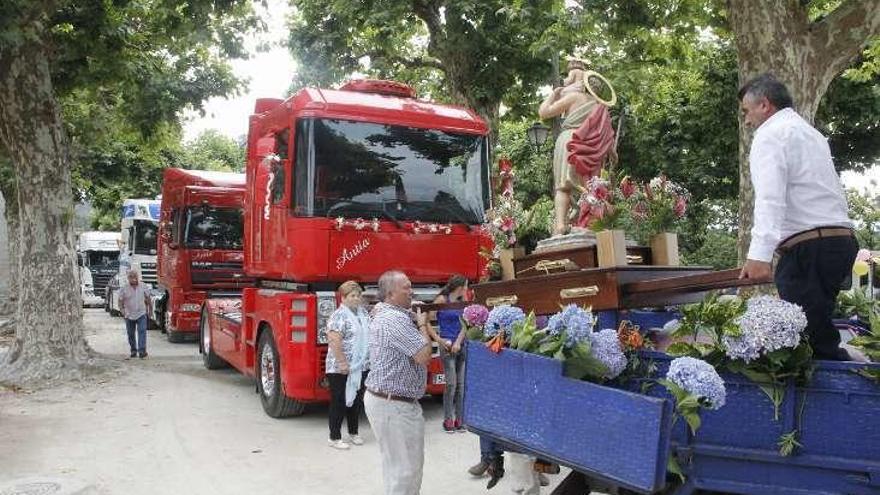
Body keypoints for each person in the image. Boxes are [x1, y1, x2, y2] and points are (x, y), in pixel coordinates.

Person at [738, 73, 858, 361]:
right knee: (816, 332)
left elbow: (770, 198)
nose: (746, 120)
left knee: (812, 347)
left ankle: (843, 401)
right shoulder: (810, 133)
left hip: (809, 249)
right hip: (839, 242)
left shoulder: (769, 134)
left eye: (746, 111)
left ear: (764, 105)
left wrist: (759, 256)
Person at [364, 270, 432, 495]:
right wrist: (423, 325)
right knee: (405, 472)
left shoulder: (391, 314)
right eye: (407, 287)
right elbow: (423, 356)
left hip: (391, 402)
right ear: (391, 293)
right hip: (393, 405)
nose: (411, 291)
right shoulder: (393, 319)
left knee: (398, 469)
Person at [325, 280, 371, 450]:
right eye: (352, 296)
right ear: (343, 298)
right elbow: (334, 339)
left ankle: (354, 432)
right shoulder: (338, 315)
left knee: (357, 400)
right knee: (339, 400)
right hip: (340, 367)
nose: (356, 299)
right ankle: (334, 437)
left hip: (361, 365)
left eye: (358, 295)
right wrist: (342, 362)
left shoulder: (363, 313)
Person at [425, 274, 468, 433]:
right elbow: (428, 321)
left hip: (461, 344)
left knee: (461, 386)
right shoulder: (442, 300)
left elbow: (466, 323)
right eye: (465, 286)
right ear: (459, 286)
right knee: (451, 384)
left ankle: (460, 419)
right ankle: (448, 419)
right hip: (447, 345)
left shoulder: (463, 300)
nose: (467, 289)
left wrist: (458, 342)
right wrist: (439, 340)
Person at [119, 270, 152, 359]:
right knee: (131, 334)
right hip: (129, 314)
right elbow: (120, 301)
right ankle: (133, 350)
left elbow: (148, 298)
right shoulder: (124, 288)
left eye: (135, 277)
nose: (134, 279)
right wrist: (122, 310)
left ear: (137, 277)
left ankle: (142, 351)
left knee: (142, 331)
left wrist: (150, 311)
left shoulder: (143, 286)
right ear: (128, 278)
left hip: (141, 313)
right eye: (131, 277)